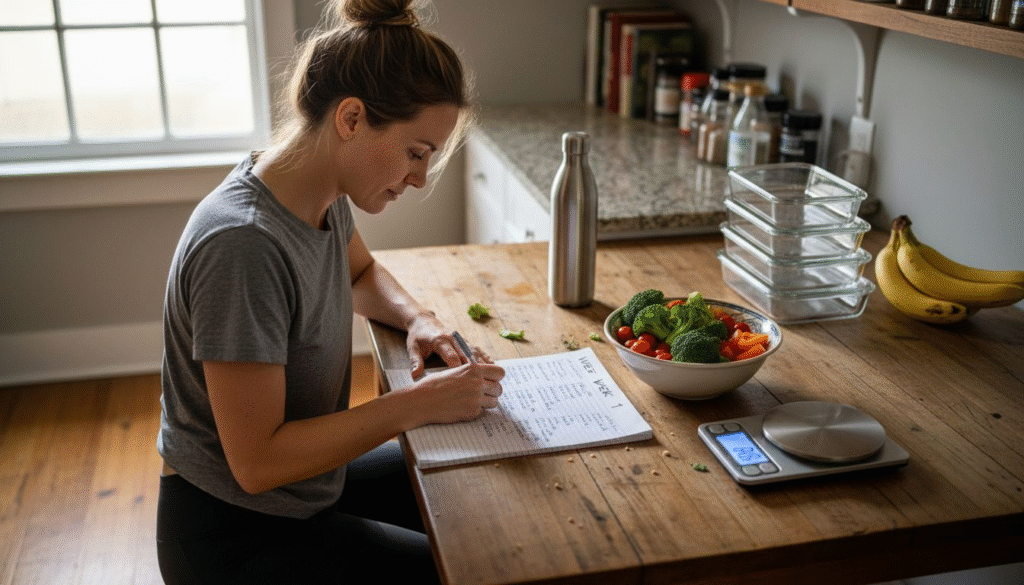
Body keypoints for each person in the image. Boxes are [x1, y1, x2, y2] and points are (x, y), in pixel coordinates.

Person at [155, 1, 505, 582]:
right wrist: (417, 403)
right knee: (469, 570)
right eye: (415, 152)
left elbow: (361, 275)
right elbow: (257, 461)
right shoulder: (243, 245)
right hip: (235, 535)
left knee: (474, 484)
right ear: (351, 118)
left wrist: (418, 320)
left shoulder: (316, 194)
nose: (419, 178)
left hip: (304, 490)